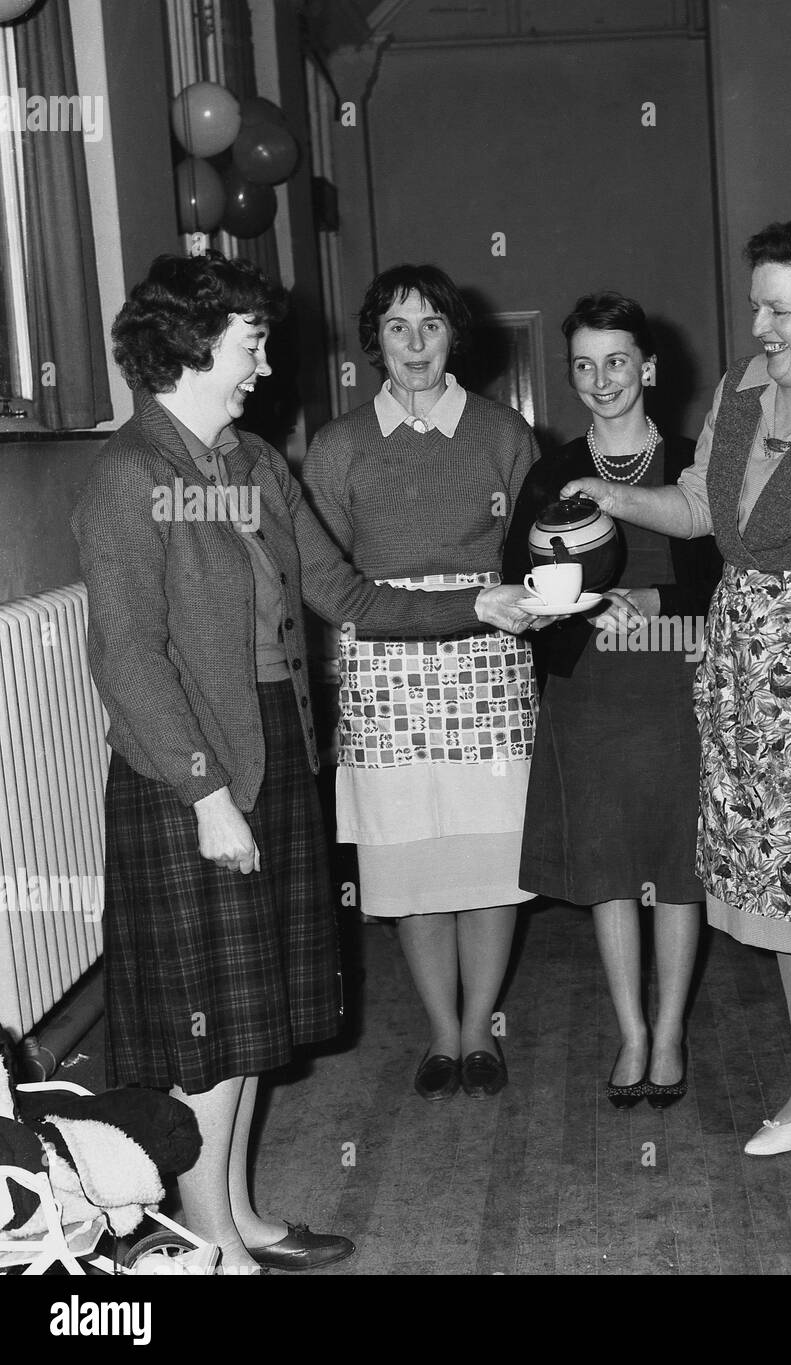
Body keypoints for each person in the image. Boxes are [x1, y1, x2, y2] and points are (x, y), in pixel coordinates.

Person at [71, 252, 537, 1274]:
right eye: (250, 343)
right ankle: (205, 1244)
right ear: (192, 344)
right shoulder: (130, 476)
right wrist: (203, 791)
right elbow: (127, 659)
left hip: (273, 739)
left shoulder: (248, 465)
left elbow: (342, 592)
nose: (264, 362)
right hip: (187, 765)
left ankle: (235, 1214)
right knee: (205, 1020)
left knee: (248, 1010)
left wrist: (479, 606)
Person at [564, 219, 791, 1180]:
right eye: (757, 303)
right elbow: (700, 508)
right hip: (745, 669)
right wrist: (614, 504)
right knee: (783, 888)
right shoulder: (739, 390)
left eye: (781, 307)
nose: (761, 324)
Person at [303, 264, 540, 1104]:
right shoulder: (337, 448)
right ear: (376, 341)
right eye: (397, 326)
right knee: (410, 862)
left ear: (453, 337)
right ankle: (441, 1032)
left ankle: (482, 1029)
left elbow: (539, 554)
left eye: (430, 325)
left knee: (487, 857)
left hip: (488, 662)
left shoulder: (502, 432)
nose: (414, 344)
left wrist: (546, 602)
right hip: (384, 669)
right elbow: (324, 576)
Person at [504, 293, 721, 1107]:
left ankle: (671, 1033)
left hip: (677, 688)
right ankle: (630, 1030)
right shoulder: (551, 473)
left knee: (675, 867)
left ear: (649, 368)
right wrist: (582, 606)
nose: (601, 379)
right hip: (589, 689)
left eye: (617, 361)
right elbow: (517, 590)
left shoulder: (699, 464)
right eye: (585, 366)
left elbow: (733, 589)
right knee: (606, 869)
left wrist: (662, 611)